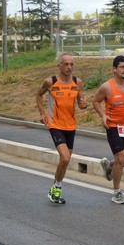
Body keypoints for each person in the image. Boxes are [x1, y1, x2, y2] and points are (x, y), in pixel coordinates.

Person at [36, 52, 87, 204]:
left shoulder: (77, 82)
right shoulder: (50, 82)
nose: (69, 67)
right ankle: (57, 188)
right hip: (55, 125)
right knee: (65, 157)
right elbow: (39, 95)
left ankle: (55, 188)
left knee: (65, 160)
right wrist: (43, 113)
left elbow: (80, 101)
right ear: (59, 66)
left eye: (71, 64)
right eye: (66, 64)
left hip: (71, 126)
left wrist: (83, 105)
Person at [92, 55, 124, 204]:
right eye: (122, 67)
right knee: (120, 157)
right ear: (114, 69)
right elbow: (95, 101)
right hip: (113, 126)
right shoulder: (107, 87)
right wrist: (102, 115)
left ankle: (109, 165)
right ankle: (117, 192)